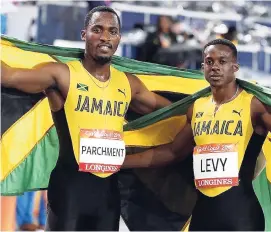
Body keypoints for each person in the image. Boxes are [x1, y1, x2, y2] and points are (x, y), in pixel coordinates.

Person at [1, 6, 171, 231]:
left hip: (108, 196)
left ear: (119, 37)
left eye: (112, 31)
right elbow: (7, 76)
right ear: (84, 35)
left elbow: (174, 112)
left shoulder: (128, 84)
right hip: (69, 191)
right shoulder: (61, 74)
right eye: (97, 29)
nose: (105, 37)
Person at [123, 39, 271, 231]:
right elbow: (172, 152)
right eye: (210, 62)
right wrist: (118, 161)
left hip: (241, 217)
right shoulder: (197, 108)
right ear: (203, 67)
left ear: (235, 67)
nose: (215, 67)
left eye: (222, 61)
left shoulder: (254, 105)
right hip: (203, 215)